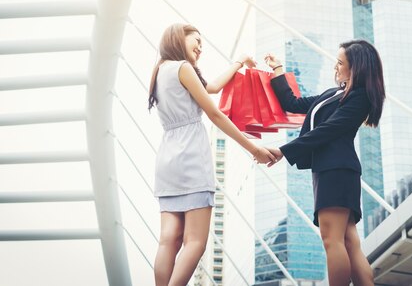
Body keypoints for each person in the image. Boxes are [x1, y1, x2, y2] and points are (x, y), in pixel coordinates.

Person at [149, 23, 276, 286]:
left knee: (168, 238)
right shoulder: (183, 68)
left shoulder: (159, 71)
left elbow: (213, 87)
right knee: (195, 242)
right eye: (196, 40)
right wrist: (254, 148)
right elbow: (215, 113)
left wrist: (239, 61)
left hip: (167, 159)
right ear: (177, 38)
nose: (200, 47)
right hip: (191, 157)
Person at [265, 39, 385, 286]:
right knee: (349, 242)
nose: (335, 66)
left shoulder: (359, 98)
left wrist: (282, 151)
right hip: (332, 170)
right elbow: (294, 104)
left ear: (356, 68)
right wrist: (278, 70)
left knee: (332, 240)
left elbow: (328, 130)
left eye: (341, 63)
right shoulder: (335, 94)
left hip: (336, 170)